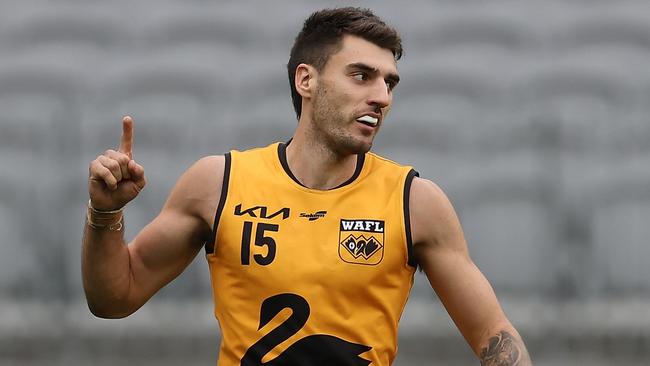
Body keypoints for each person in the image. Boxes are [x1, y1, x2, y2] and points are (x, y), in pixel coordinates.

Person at [82, 7, 533, 366]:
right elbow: (115, 298)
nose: (382, 96)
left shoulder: (415, 201)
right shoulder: (217, 183)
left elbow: (493, 334)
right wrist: (104, 213)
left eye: (389, 82)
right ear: (307, 80)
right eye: (362, 75)